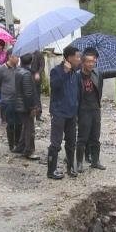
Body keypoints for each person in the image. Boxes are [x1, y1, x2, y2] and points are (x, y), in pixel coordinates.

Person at [76, 47, 116, 172]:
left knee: (95, 137)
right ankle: (79, 163)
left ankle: (95, 161)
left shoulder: (96, 73)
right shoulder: (76, 76)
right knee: (82, 138)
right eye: (88, 61)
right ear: (83, 62)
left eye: (93, 62)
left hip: (95, 109)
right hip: (83, 110)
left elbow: (111, 72)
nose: (91, 64)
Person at [47, 46, 82, 180]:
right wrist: (64, 72)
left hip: (72, 113)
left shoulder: (75, 72)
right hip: (59, 112)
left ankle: (70, 167)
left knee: (71, 141)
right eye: (77, 57)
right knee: (56, 143)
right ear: (69, 58)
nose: (79, 59)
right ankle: (51, 170)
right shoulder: (56, 71)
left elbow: (77, 93)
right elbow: (54, 86)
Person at [0, 50, 21, 152]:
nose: (18, 59)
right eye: (16, 57)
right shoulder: (1, 69)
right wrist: (4, 94)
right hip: (7, 101)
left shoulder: (18, 69)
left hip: (18, 100)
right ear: (10, 57)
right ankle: (11, 145)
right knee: (10, 123)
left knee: (19, 123)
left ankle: (17, 143)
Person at [14, 53, 40, 160]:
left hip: (20, 104)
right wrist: (32, 107)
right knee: (30, 129)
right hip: (25, 106)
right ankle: (29, 151)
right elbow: (28, 94)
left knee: (26, 127)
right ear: (31, 62)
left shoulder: (18, 71)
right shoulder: (26, 74)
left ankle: (20, 146)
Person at [31, 50, 46, 121]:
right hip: (27, 78)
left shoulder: (39, 54)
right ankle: (30, 115)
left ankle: (38, 115)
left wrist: (38, 73)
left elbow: (42, 65)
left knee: (37, 97)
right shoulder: (25, 53)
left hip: (36, 78)